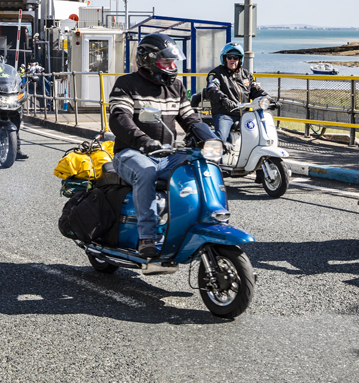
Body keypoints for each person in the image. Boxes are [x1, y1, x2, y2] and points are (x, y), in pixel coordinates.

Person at [109, 33, 205, 257]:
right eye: (166, 62)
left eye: (173, 62)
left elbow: (191, 119)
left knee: (199, 165)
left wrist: (211, 139)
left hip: (166, 153)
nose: (172, 67)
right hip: (131, 153)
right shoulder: (126, 84)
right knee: (146, 171)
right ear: (149, 61)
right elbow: (119, 118)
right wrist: (142, 141)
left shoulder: (177, 87)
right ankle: (147, 238)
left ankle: (192, 225)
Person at [202, 42, 269, 146]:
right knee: (221, 140)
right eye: (229, 57)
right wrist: (224, 100)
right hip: (225, 114)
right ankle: (215, 161)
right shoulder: (216, 74)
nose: (233, 60)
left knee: (258, 136)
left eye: (236, 58)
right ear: (224, 58)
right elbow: (212, 89)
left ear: (240, 59)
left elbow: (255, 90)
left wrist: (268, 98)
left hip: (245, 115)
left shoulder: (246, 74)